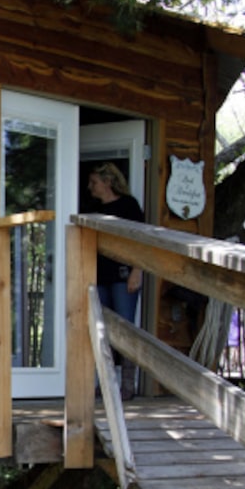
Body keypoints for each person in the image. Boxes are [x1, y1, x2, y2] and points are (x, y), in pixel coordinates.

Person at [87, 161, 144, 399]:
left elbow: (142, 240)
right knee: (103, 329)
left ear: (108, 182)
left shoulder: (129, 206)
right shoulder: (92, 208)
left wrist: (137, 270)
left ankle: (128, 385)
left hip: (123, 276)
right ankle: (105, 383)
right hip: (100, 276)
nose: (90, 187)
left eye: (94, 182)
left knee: (125, 328)